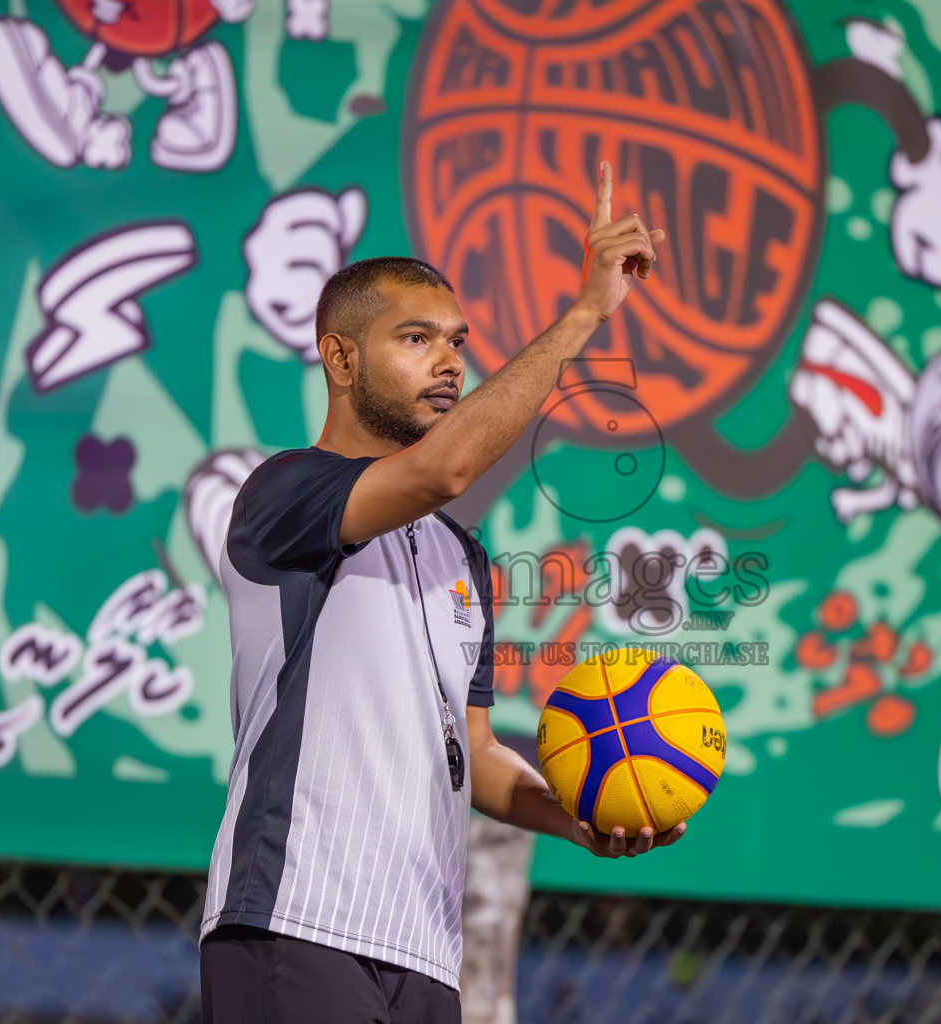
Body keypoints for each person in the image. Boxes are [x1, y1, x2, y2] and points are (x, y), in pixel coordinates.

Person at [198, 162, 677, 1023]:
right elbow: (446, 465)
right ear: (340, 358)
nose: (449, 361)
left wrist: (581, 818)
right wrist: (585, 313)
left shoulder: (461, 555)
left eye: (457, 341)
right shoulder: (284, 492)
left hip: (424, 950)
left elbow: (479, 756)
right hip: (297, 921)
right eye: (417, 339)